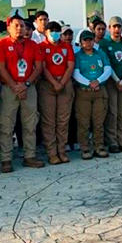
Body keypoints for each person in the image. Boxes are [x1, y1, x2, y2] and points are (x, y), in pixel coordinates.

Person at [0, 15, 45, 173]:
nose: (19, 28)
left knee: (30, 124)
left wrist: (26, 84)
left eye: (22, 26)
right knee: (6, 125)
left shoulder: (33, 45)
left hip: (29, 88)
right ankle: (6, 159)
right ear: (8, 27)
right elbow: (0, 67)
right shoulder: (1, 44)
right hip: (9, 88)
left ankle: (30, 156)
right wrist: (15, 86)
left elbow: (38, 67)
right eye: (16, 25)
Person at [38, 21, 76, 164]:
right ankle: (52, 153)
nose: (54, 33)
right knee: (49, 121)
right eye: (51, 30)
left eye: (56, 30)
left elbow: (70, 65)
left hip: (64, 84)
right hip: (47, 84)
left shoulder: (66, 46)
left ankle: (62, 150)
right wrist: (54, 83)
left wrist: (62, 83)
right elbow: (42, 67)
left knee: (63, 120)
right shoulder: (41, 47)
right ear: (46, 32)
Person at [73, 30, 112, 159]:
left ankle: (99, 147)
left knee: (98, 122)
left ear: (93, 40)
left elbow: (107, 69)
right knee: (83, 122)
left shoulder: (100, 54)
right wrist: (89, 83)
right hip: (84, 92)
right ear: (81, 42)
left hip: (99, 91)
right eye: (85, 40)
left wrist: (98, 81)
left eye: (90, 39)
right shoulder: (78, 56)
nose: (88, 42)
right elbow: (76, 73)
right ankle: (85, 148)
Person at [100, 17, 122, 153]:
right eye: (114, 27)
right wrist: (116, 80)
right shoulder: (105, 44)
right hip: (111, 82)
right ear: (110, 28)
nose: (117, 30)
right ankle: (112, 141)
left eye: (119, 27)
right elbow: (107, 63)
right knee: (112, 112)